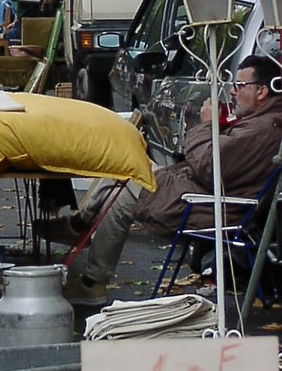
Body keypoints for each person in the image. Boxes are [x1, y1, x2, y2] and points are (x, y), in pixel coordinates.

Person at [44, 55, 282, 306]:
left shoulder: (263, 128)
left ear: (261, 91)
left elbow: (210, 166)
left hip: (207, 205)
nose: (233, 91)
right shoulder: (261, 122)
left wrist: (207, 126)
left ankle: (92, 277)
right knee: (126, 163)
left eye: (240, 85)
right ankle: (82, 234)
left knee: (124, 194)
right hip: (196, 190)